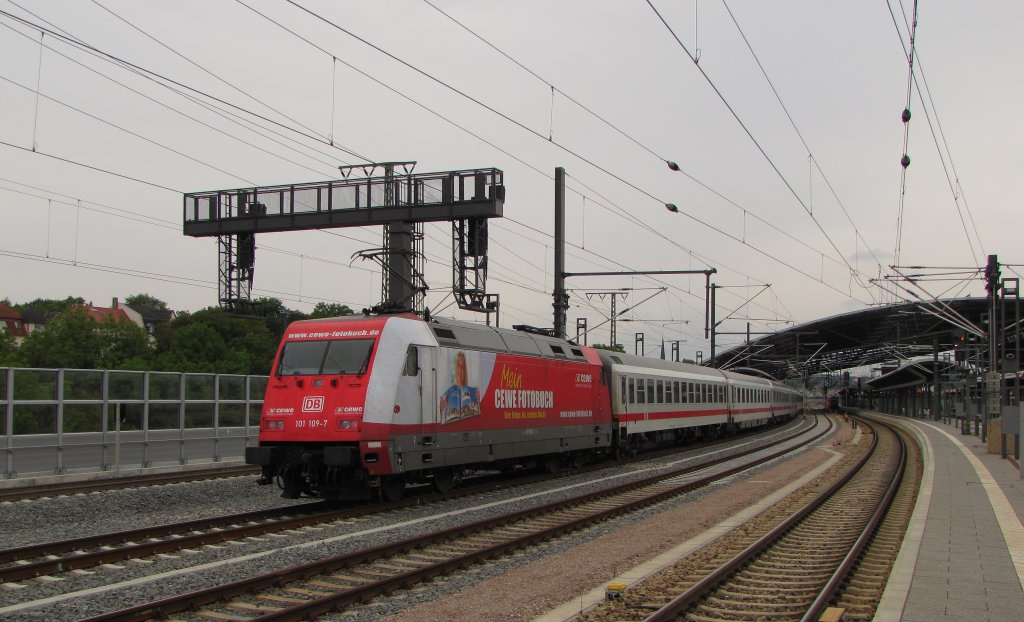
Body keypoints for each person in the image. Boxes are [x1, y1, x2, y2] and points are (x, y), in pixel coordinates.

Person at [439, 351, 480, 422]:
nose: (460, 370)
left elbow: (477, 410)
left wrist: (478, 400)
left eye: (462, 367)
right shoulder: (449, 391)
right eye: (458, 366)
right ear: (455, 369)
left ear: (465, 371)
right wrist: (441, 408)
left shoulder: (472, 391)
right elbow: (441, 413)